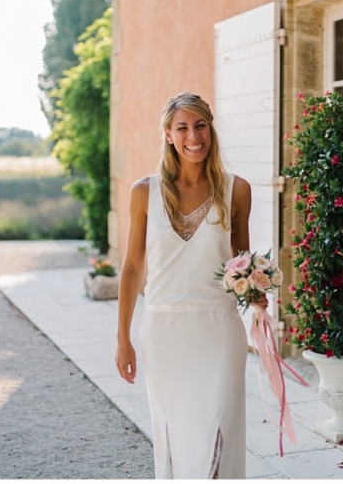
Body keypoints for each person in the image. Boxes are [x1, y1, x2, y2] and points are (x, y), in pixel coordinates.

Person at [115, 92, 264, 479]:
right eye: (182, 128)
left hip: (219, 330)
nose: (193, 136)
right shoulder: (144, 192)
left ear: (210, 130)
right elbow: (132, 267)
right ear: (168, 134)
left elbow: (240, 263)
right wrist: (123, 338)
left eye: (200, 126)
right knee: (174, 441)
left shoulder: (237, 190)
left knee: (220, 435)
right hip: (163, 331)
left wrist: (258, 290)